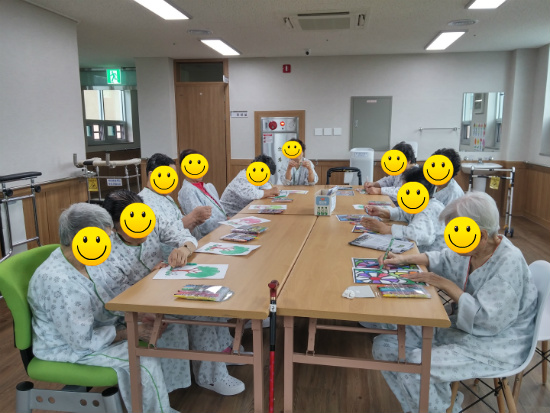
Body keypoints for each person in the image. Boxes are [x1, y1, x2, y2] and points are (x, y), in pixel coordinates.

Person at [372, 191, 538, 413]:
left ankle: (437, 407)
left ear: (481, 234)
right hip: (461, 328)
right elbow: (442, 258)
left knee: (415, 365)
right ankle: (433, 404)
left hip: (496, 345)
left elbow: (487, 322)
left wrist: (444, 283)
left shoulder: (508, 264)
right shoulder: (475, 248)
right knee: (385, 346)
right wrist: (402, 258)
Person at [28, 203, 191, 413]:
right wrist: (131, 332)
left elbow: (113, 292)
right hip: (69, 348)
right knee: (143, 360)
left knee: (170, 326)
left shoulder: (88, 259)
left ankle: (162, 398)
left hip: (101, 327)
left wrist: (141, 315)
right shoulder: (59, 281)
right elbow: (82, 341)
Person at [102, 190, 245, 396]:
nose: (142, 233)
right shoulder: (107, 250)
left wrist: (184, 249)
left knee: (207, 302)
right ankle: (206, 377)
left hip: (163, 290)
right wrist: (146, 281)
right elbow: (117, 298)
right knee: (192, 315)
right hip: (136, 307)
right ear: (114, 228)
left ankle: (216, 366)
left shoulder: (151, 223)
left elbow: (185, 237)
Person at [361, 167, 446, 253]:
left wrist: (386, 229)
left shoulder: (427, 210)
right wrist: (384, 212)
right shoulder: (421, 203)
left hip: (430, 258)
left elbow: (418, 234)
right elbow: (405, 213)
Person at [139, 153, 199, 263]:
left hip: (181, 257)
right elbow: (168, 234)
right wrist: (192, 218)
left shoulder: (167, 198)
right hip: (162, 264)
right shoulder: (144, 204)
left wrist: (193, 223)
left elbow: (180, 231)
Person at [177, 149, 228, 240]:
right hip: (209, 238)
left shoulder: (206, 186)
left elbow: (219, 210)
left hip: (222, 230)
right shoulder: (187, 191)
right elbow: (202, 224)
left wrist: (227, 221)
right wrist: (225, 225)